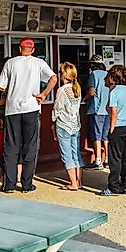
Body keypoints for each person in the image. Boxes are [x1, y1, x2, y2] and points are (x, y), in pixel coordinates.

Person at [0, 38, 57, 193]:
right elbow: (53, 78)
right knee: (30, 147)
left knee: (11, 147)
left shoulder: (10, 63)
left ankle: (9, 184)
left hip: (12, 109)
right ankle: (27, 184)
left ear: (19, 48)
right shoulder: (38, 63)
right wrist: (43, 94)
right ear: (33, 50)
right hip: (32, 108)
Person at [102, 65, 126, 196]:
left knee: (115, 158)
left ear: (112, 77)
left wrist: (111, 129)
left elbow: (113, 112)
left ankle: (113, 185)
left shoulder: (114, 92)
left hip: (118, 125)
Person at [52, 62, 83, 190]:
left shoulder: (62, 90)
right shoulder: (77, 89)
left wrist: (53, 122)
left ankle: (73, 183)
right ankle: (79, 181)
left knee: (67, 155)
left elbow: (57, 108)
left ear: (64, 75)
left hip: (63, 124)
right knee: (76, 154)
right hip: (75, 124)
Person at [83, 54, 109, 170]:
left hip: (97, 109)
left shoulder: (93, 75)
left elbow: (92, 92)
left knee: (97, 136)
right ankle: (107, 159)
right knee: (106, 136)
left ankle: (98, 160)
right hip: (107, 109)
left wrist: (84, 99)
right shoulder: (108, 74)